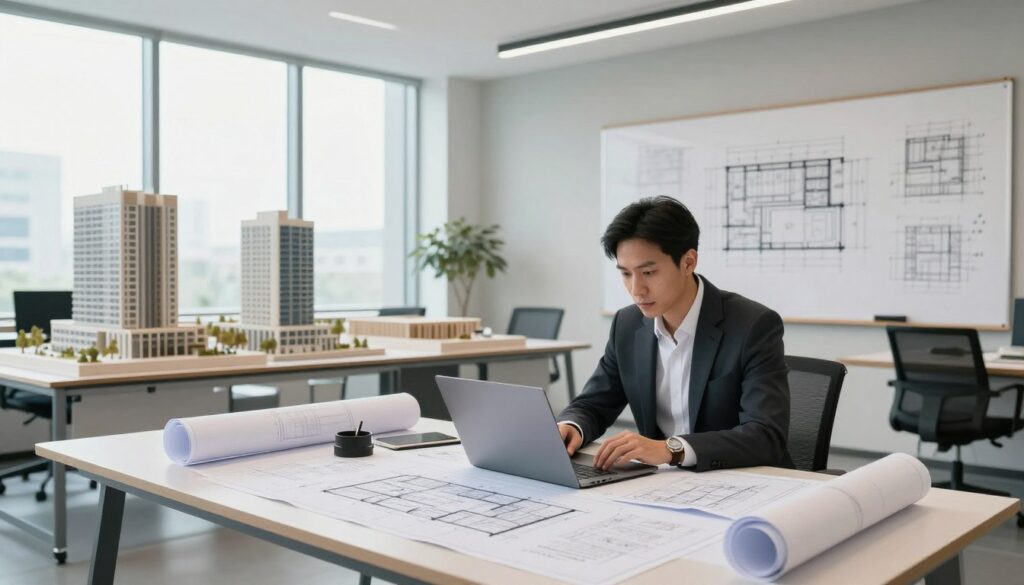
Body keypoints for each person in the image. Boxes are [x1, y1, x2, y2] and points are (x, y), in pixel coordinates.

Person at [558, 196, 792, 472]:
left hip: (739, 480)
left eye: (648, 272)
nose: (636, 289)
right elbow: (594, 403)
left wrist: (671, 449)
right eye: (625, 274)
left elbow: (765, 436)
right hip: (663, 483)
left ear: (688, 262)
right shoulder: (627, 324)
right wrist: (571, 426)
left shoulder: (753, 325)